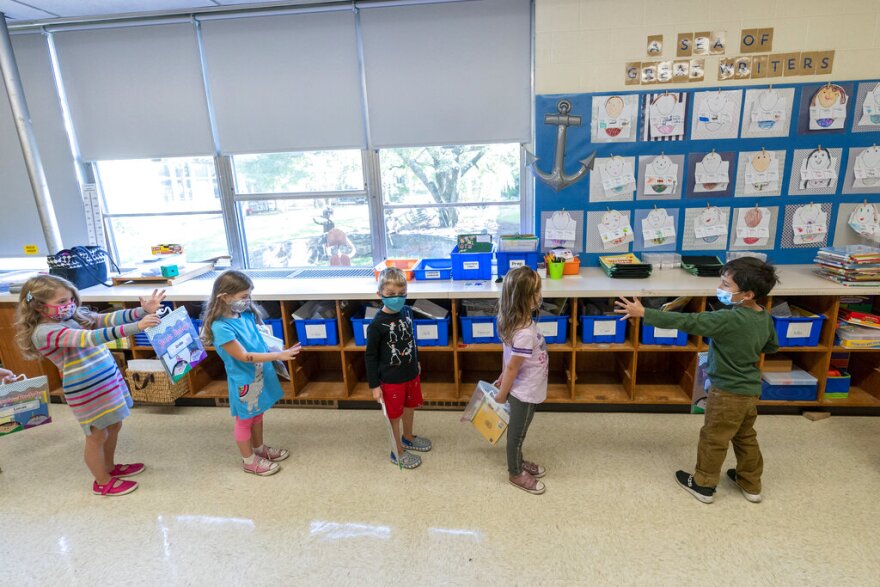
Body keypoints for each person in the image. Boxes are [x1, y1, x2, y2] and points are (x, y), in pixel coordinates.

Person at [616, 257, 780, 504]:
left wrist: (643, 313)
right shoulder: (763, 316)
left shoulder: (727, 319)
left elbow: (687, 321)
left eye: (726, 285)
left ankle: (703, 484)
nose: (720, 289)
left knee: (714, 437)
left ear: (747, 294)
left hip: (726, 392)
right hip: (750, 390)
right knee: (745, 436)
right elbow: (771, 346)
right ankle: (751, 483)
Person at [15, 275, 163, 496]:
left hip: (105, 379)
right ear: (38, 306)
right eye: (62, 302)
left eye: (71, 299)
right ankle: (101, 481)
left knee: (114, 425)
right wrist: (137, 326)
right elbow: (91, 338)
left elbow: (104, 320)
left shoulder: (72, 317)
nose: (69, 305)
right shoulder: (45, 332)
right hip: (86, 389)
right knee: (96, 435)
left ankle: (110, 468)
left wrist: (141, 312)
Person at [202, 270, 301, 476]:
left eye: (249, 295)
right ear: (224, 297)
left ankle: (259, 449)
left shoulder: (243, 315)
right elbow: (244, 356)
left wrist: (273, 350)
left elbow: (256, 340)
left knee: (258, 414)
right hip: (244, 380)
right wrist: (278, 356)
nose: (247, 301)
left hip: (259, 374)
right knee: (245, 419)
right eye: (243, 297)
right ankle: (249, 460)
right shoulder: (221, 327)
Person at [366, 267, 431, 469]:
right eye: (391, 294)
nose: (397, 298)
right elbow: (370, 356)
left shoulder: (407, 311)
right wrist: (374, 386)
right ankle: (397, 450)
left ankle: (408, 437)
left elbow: (412, 339)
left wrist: (417, 361)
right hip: (391, 379)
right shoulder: (376, 325)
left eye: (401, 294)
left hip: (411, 373)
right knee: (394, 416)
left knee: (410, 407)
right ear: (380, 295)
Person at [494, 266, 548, 495]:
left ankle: (518, 460)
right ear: (526, 298)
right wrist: (502, 393)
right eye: (537, 291)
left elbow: (510, 361)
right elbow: (514, 366)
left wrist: (502, 377)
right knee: (517, 435)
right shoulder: (524, 332)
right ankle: (515, 472)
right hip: (524, 392)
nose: (541, 295)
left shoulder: (518, 322)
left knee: (519, 433)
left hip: (526, 386)